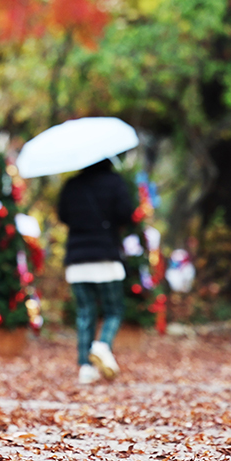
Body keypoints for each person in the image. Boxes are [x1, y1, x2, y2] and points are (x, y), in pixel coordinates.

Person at [57, 159, 136, 385]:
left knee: (85, 312)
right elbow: (126, 214)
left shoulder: (72, 185)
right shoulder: (115, 183)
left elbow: (63, 215)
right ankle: (102, 345)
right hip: (105, 256)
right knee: (114, 309)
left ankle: (86, 366)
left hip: (77, 259)